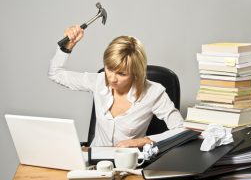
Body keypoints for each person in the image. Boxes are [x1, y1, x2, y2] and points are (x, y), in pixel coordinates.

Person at [48, 25, 185, 148]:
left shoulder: (153, 92)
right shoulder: (99, 80)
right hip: (93, 163)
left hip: (127, 165)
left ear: (136, 73)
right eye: (109, 68)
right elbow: (55, 74)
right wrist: (67, 46)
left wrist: (144, 141)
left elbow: (181, 130)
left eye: (122, 74)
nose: (112, 78)